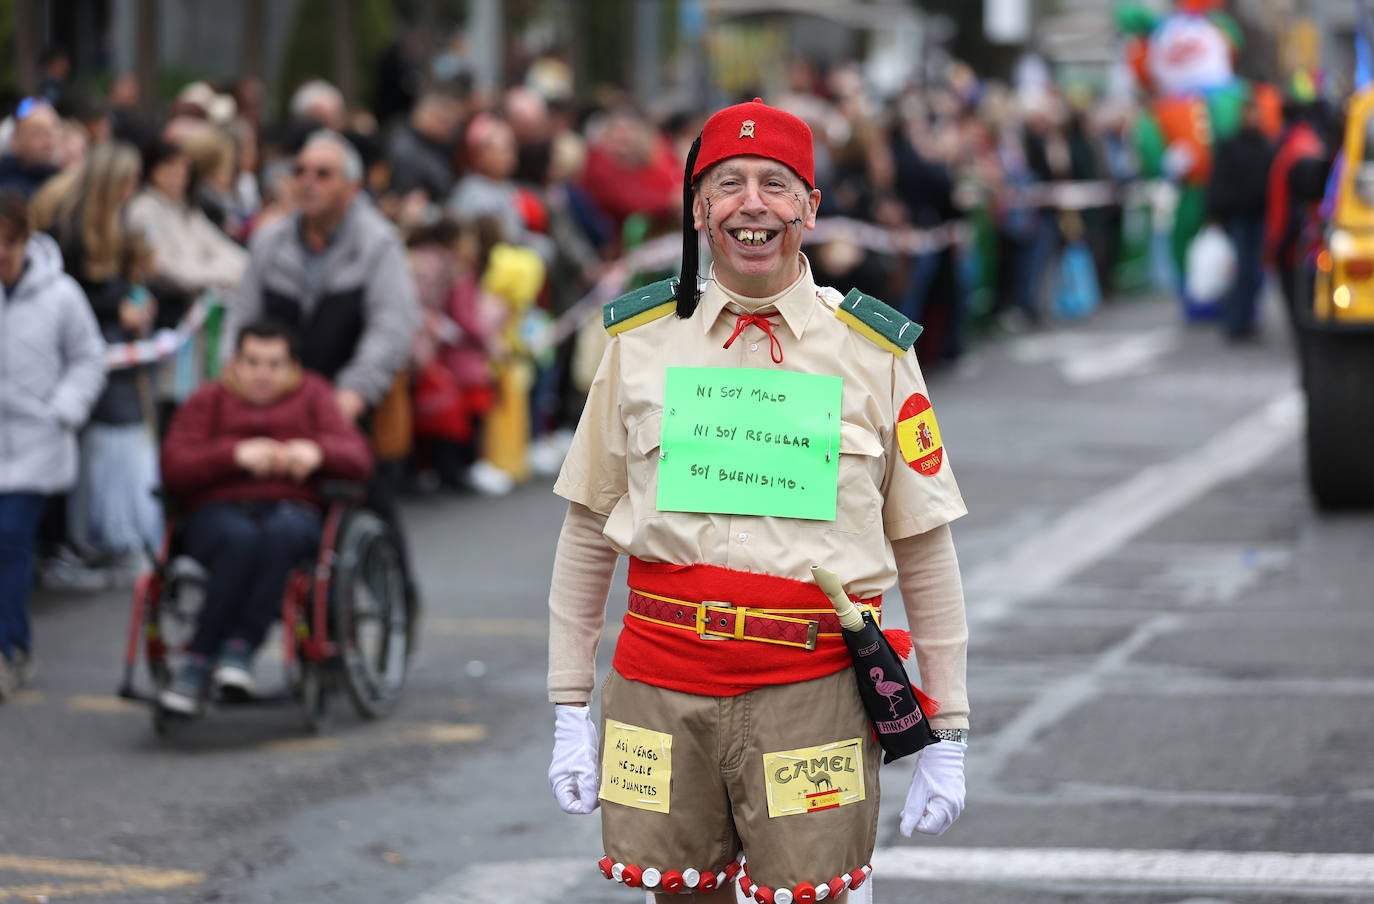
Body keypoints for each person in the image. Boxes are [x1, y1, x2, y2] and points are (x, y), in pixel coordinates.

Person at [545, 99, 970, 903]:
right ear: (698, 209)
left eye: (775, 185)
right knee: (679, 895)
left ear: (810, 207)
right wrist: (569, 706)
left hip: (812, 688)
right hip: (662, 679)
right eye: (728, 183)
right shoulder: (639, 343)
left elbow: (924, 543)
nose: (752, 205)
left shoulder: (870, 352)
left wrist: (949, 729)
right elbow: (588, 527)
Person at [224, 129, 421, 604]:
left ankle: (395, 601)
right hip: (278, 395)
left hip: (353, 399)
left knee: (366, 498)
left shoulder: (378, 244)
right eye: (301, 171)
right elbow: (241, 318)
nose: (307, 182)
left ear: (351, 187)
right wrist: (239, 382)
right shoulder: (269, 242)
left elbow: (392, 328)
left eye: (323, 174)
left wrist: (352, 394)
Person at [157, 320, 374, 714]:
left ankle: (233, 650)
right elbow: (174, 464)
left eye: (274, 364)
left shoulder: (314, 396)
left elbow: (359, 458)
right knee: (238, 540)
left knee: (282, 535)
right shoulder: (209, 400)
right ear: (236, 363)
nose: (262, 373)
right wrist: (233, 455)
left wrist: (317, 452)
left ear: (292, 367)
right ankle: (207, 658)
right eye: (253, 362)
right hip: (218, 510)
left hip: (291, 509)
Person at [0, 190, 106, 698]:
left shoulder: (61, 294)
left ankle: (6, 651)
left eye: (7, 242)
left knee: (9, 539)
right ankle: (14, 642)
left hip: (36, 442)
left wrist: (65, 408)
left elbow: (89, 357)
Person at [1206, 97, 1275, 341]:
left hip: (1259, 217)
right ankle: (1236, 321)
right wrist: (1216, 213)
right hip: (1238, 217)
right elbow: (1219, 181)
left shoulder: (1267, 145)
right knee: (1240, 270)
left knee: (1254, 271)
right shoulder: (1231, 145)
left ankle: (1247, 318)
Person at [0, 97, 61, 198]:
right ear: (16, 140)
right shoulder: (7, 190)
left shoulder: (70, 184)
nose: (50, 143)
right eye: (39, 133)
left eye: (53, 132)